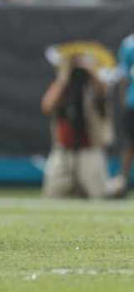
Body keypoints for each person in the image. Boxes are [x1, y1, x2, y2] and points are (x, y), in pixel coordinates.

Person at [41, 54, 117, 198]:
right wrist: (64, 76)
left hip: (89, 150)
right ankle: (115, 185)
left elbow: (103, 94)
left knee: (99, 195)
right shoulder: (63, 86)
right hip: (64, 151)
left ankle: (115, 186)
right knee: (53, 195)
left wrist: (91, 71)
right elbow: (47, 106)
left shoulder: (93, 86)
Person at [115, 34, 134, 196]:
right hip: (133, 102)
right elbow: (123, 75)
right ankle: (123, 182)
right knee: (129, 144)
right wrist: (124, 101)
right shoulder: (129, 44)